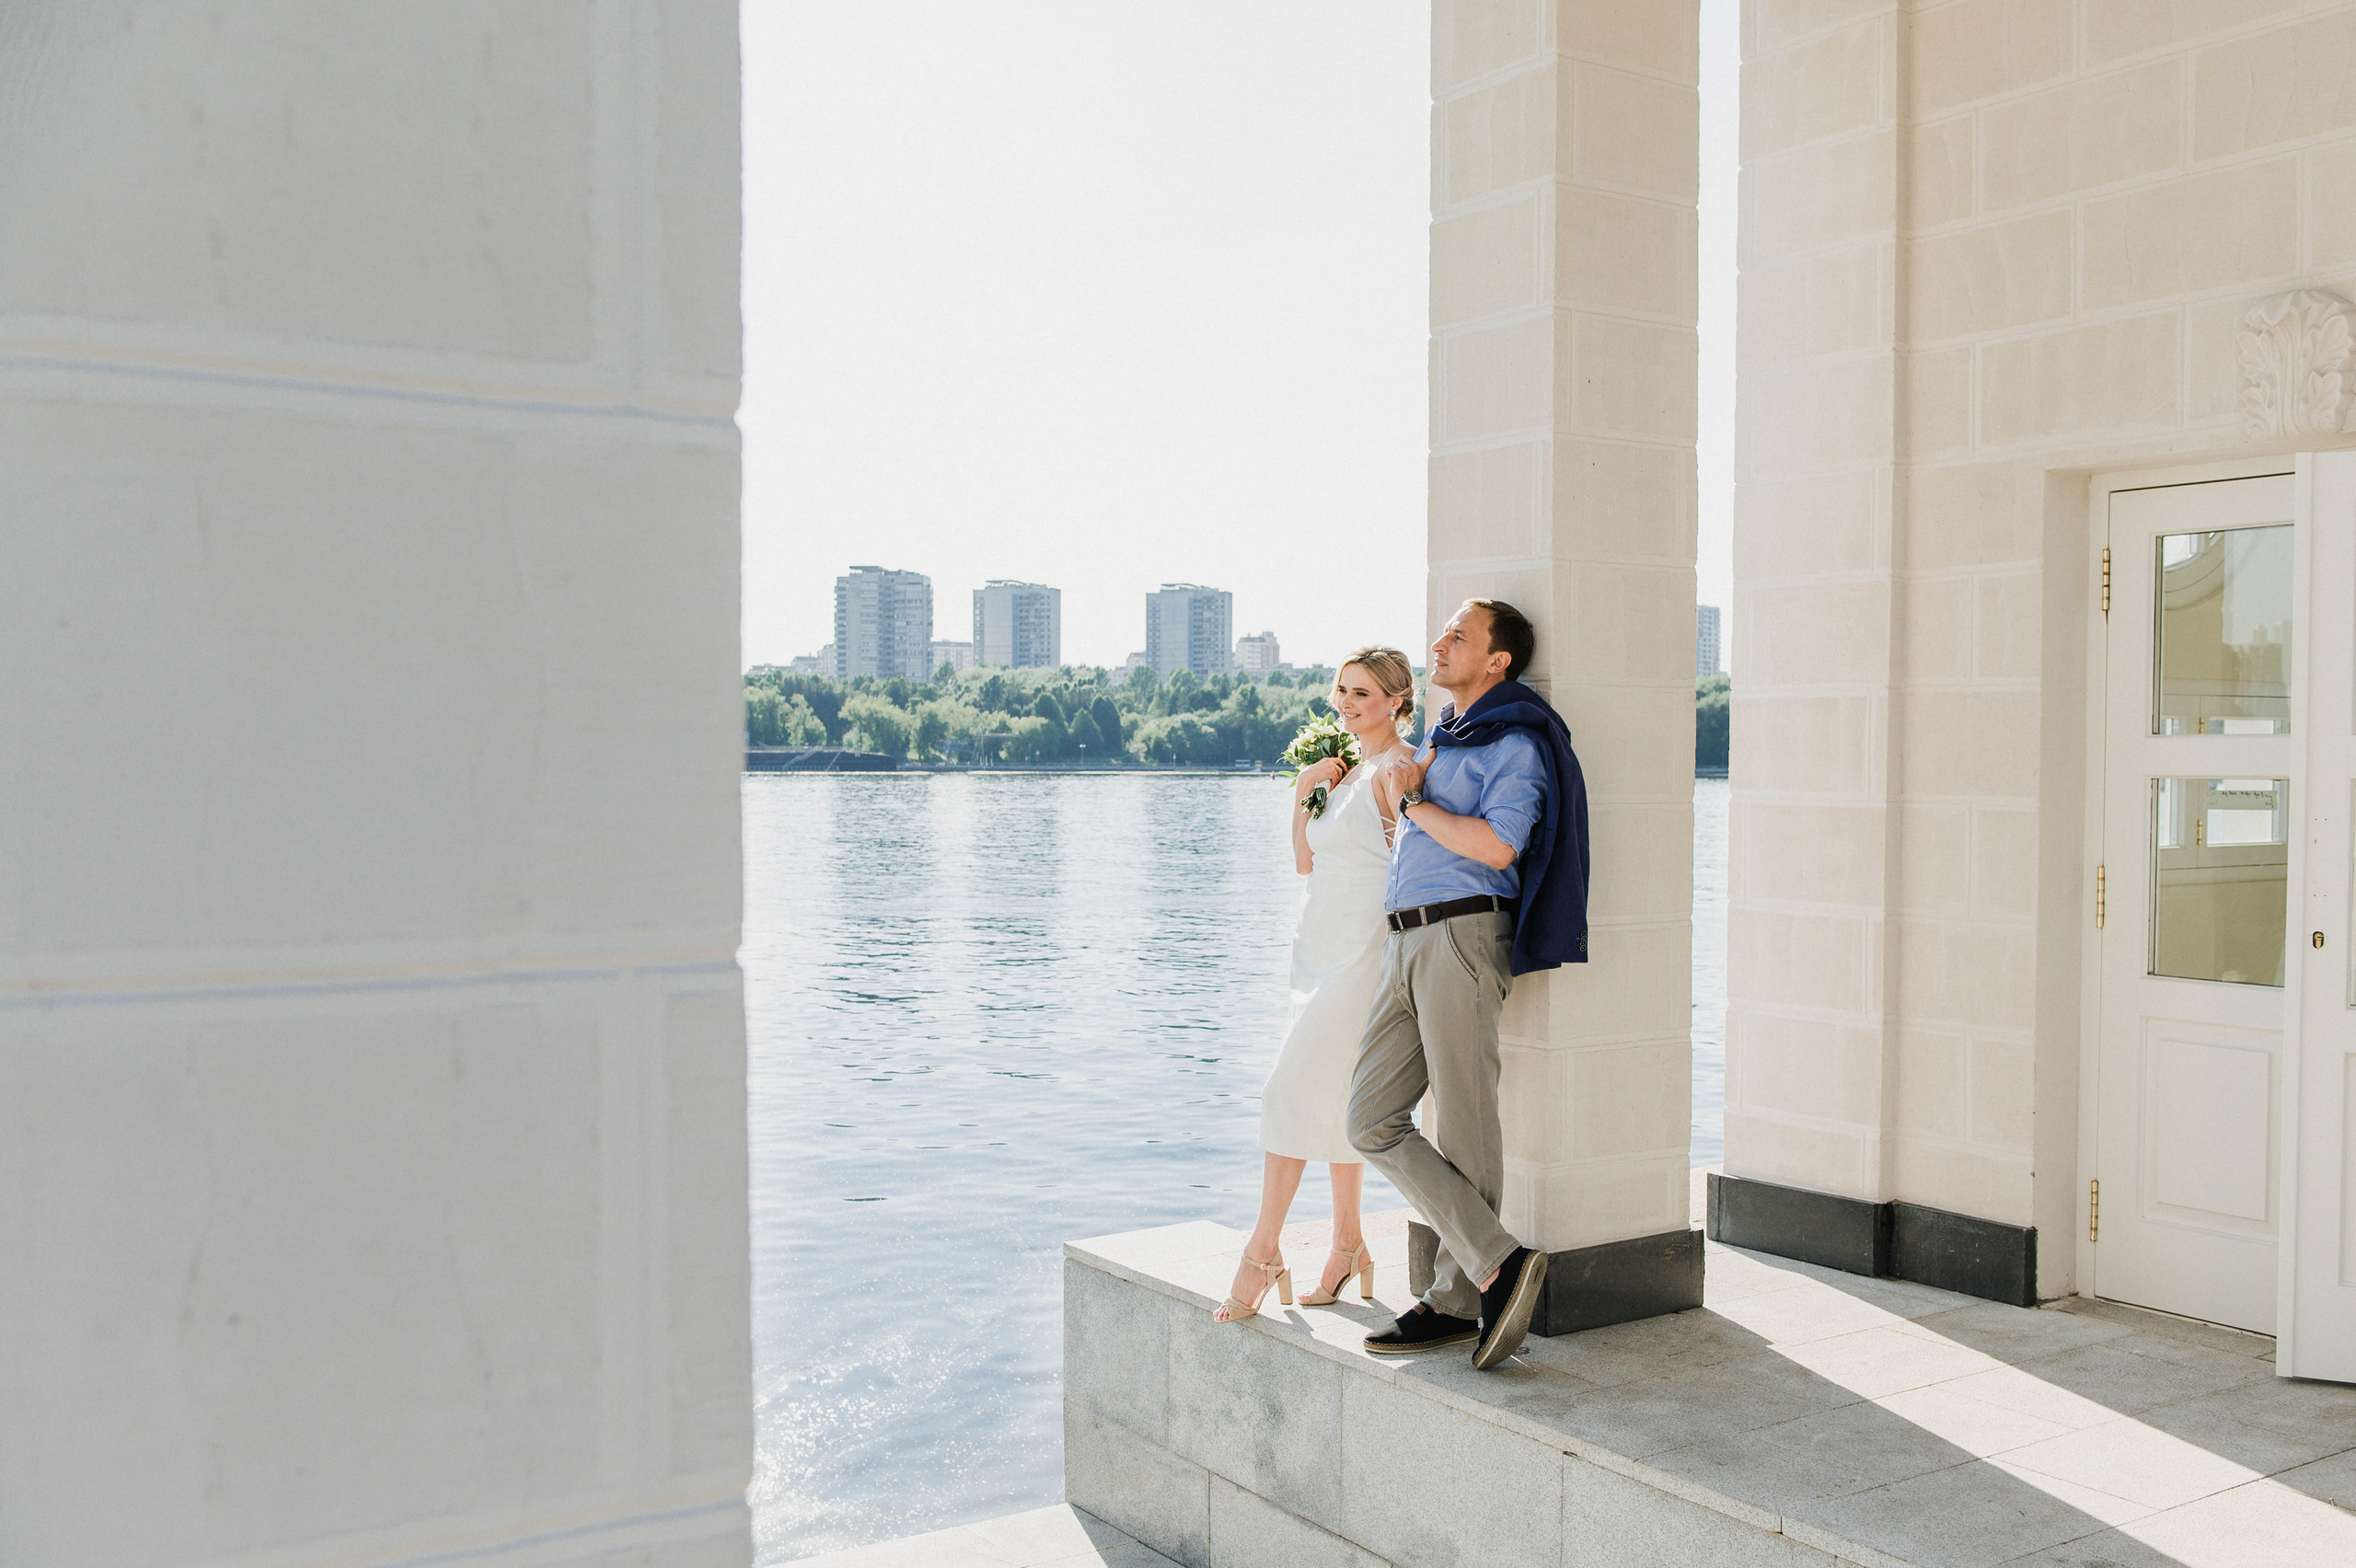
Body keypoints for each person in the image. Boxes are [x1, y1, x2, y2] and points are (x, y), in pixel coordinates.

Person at [1348, 599, 1589, 1370]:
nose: (1440, 642)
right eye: (1442, 630)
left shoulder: (1512, 742)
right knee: (1370, 1118)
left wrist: (1415, 800)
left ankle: (1461, 1296)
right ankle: (1500, 1261)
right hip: (1405, 936)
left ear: (1498, 663)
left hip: (1460, 932)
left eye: (1461, 635)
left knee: (1465, 1121)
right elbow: (1415, 834)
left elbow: (1495, 846)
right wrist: (1401, 799)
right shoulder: (1440, 743)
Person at [1213, 647, 1420, 1323]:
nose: (1348, 704)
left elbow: (1408, 864)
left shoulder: (1399, 768)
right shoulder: (1342, 769)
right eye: (1342, 692)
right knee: (1333, 1096)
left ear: (1395, 699)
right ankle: (1348, 1244)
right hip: (1316, 948)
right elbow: (1305, 861)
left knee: (1289, 1087)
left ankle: (1262, 1250)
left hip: (1362, 950)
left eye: (1362, 693)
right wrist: (1304, 794)